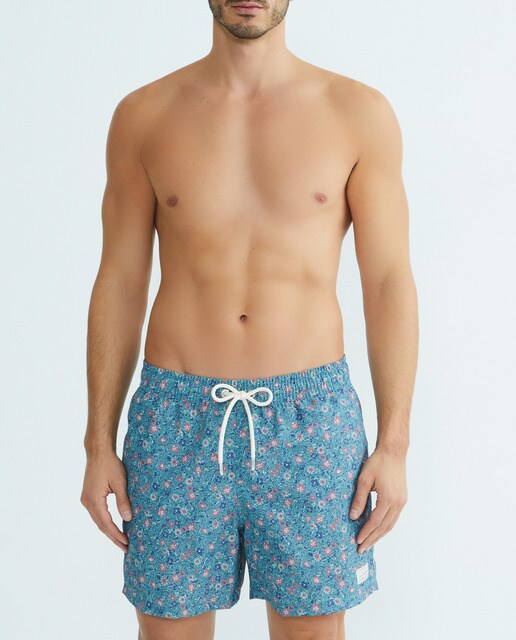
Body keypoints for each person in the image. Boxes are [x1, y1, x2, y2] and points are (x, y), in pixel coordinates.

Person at [80, 1, 419, 638]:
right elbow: (120, 281)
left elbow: (387, 281)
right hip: (175, 419)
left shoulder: (357, 114)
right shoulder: (145, 116)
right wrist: (98, 442)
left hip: (310, 421)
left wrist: (394, 443)